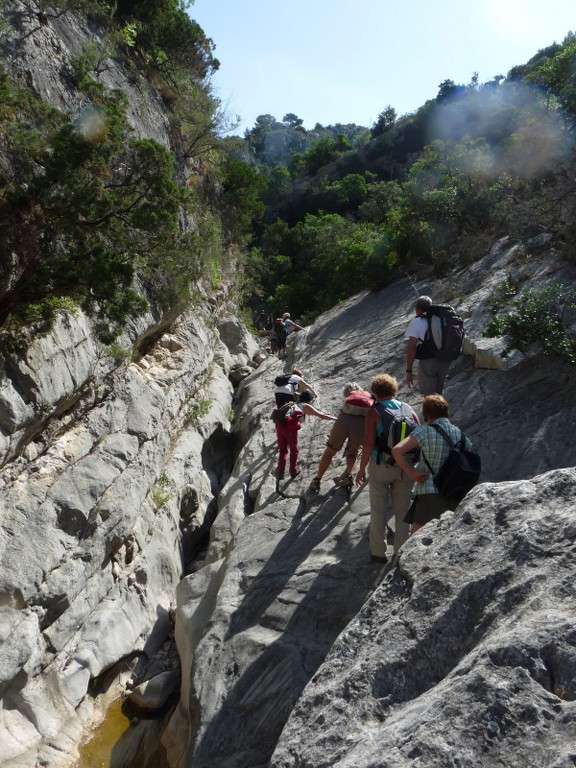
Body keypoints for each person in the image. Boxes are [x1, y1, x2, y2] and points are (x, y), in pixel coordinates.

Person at [355, 374, 420, 563]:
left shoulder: (374, 412)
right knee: (403, 511)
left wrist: (361, 469)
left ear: (375, 392)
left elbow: (368, 442)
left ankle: (378, 552)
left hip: (381, 465)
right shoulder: (408, 409)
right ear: (393, 390)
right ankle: (401, 554)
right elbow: (418, 434)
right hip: (405, 465)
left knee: (378, 510)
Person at [392, 394, 473, 533]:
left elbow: (397, 450)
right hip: (454, 493)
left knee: (417, 535)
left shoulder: (424, 430)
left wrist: (413, 474)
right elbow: (469, 450)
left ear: (427, 414)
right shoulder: (459, 434)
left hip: (429, 490)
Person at [309, 381, 370, 494]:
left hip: (343, 421)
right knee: (352, 453)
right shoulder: (365, 399)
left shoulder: (348, 399)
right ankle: (349, 476)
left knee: (330, 451)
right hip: (361, 424)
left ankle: (317, 480)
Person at [275, 391, 335, 480]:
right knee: (294, 450)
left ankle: (280, 472)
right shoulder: (305, 406)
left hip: (280, 425)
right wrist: (336, 418)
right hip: (289, 427)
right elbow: (321, 415)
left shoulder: (295, 403)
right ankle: (293, 471)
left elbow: (296, 392)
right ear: (309, 400)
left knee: (283, 450)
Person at [404, 295, 451, 395]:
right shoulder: (442, 318)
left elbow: (412, 348)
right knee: (440, 395)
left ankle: (432, 410)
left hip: (428, 361)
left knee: (429, 397)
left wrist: (409, 371)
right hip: (445, 359)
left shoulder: (416, 322)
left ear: (417, 309)